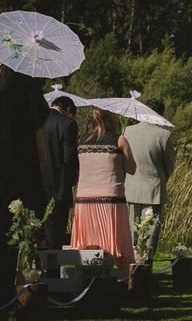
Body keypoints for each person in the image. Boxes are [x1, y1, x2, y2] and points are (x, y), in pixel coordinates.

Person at [0, 65, 49, 321]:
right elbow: (42, 156)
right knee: (22, 246)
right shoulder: (32, 96)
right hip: (23, 181)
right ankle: (20, 301)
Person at [70, 108, 136, 270]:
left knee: (88, 243)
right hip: (111, 199)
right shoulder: (119, 140)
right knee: (113, 242)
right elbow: (132, 168)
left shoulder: (81, 140)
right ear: (111, 119)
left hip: (84, 199)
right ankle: (117, 275)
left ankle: (87, 274)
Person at [124, 98, 176, 263]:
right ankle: (145, 267)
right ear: (160, 115)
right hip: (153, 190)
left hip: (130, 189)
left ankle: (130, 267)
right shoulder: (164, 135)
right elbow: (170, 165)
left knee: (131, 232)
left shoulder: (127, 131)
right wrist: (160, 178)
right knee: (150, 235)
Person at [41, 96, 79, 249]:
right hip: (58, 189)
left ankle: (35, 271)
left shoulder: (36, 122)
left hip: (36, 187)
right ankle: (53, 272)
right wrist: (71, 182)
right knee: (55, 237)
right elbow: (68, 159)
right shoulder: (68, 124)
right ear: (68, 110)